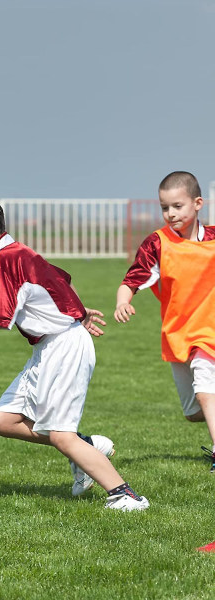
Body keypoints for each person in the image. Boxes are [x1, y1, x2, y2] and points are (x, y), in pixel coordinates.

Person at [0, 192, 149, 511]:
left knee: (60, 435)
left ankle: (125, 495)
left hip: (64, 348)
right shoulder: (16, 253)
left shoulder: (8, 258)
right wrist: (75, 310)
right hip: (50, 346)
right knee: (2, 420)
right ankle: (86, 447)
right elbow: (56, 278)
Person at [114, 171, 215, 471]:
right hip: (176, 333)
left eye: (177, 206)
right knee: (193, 410)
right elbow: (130, 281)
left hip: (208, 330)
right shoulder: (157, 244)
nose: (170, 214)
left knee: (205, 387)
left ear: (198, 203)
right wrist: (123, 301)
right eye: (165, 207)